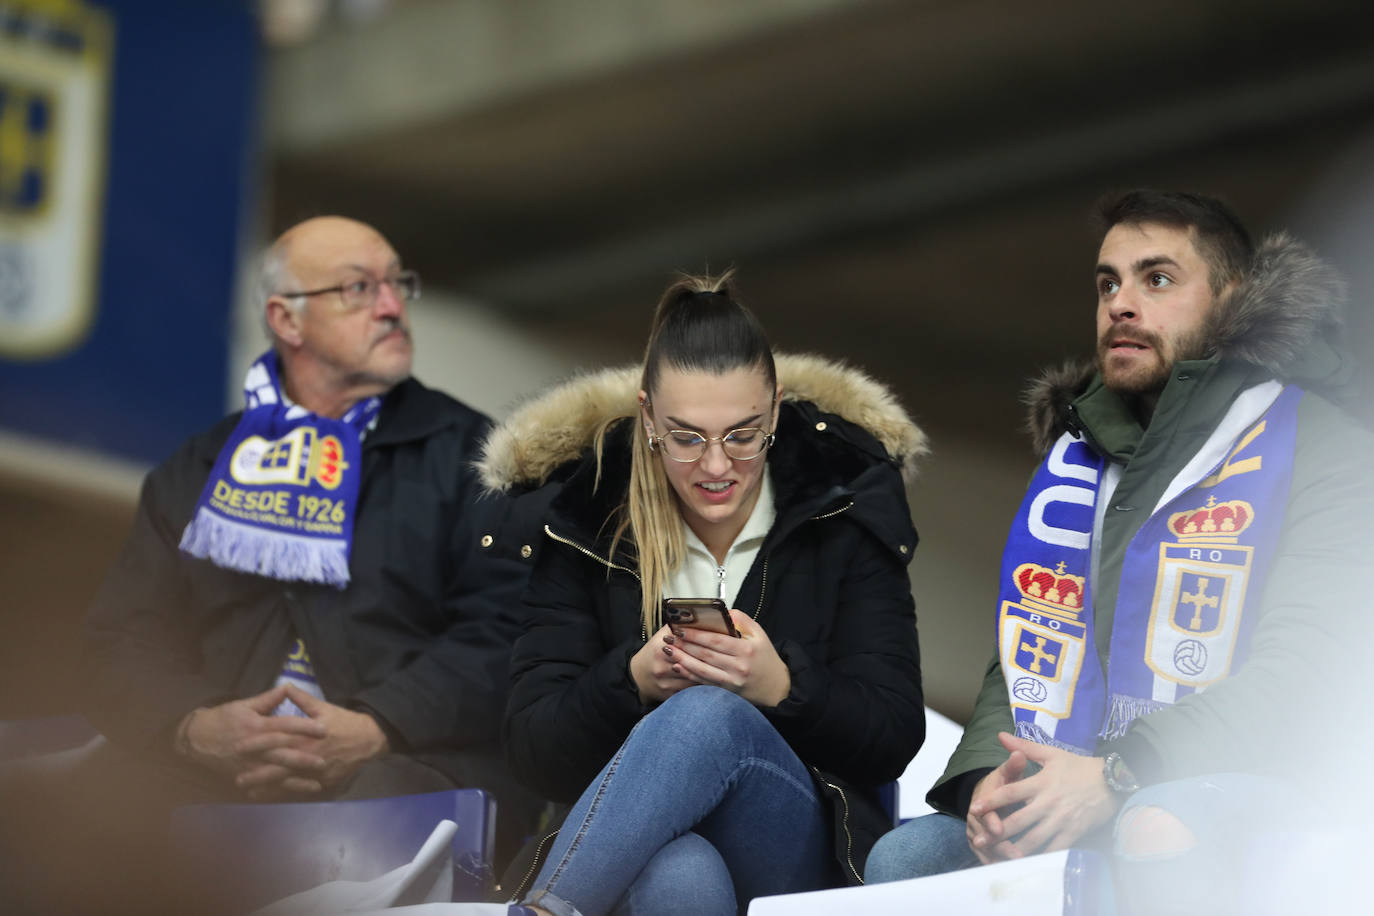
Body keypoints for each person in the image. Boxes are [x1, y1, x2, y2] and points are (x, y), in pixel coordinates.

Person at [864, 190, 1374, 913]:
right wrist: (988, 776)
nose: (1121, 305)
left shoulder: (1327, 448)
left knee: (1154, 828)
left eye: (1156, 280)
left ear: (1232, 300)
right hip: (1092, 781)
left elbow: (1305, 673)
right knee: (908, 857)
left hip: (1260, 780)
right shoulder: (1081, 457)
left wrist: (1118, 776)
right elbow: (1026, 650)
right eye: (1109, 282)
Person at [11, 216, 541, 909]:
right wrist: (198, 727)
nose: (391, 305)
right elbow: (118, 644)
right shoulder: (195, 470)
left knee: (382, 806)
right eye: (358, 288)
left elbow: (507, 636)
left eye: (395, 283)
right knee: (79, 812)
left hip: (404, 761)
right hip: (212, 767)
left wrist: (375, 725)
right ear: (286, 320)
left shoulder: (480, 455)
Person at [478, 272, 927, 915]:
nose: (716, 466)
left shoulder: (845, 511)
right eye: (687, 437)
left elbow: (892, 735)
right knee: (679, 872)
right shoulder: (584, 521)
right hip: (634, 858)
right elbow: (533, 752)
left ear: (774, 412)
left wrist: (779, 686)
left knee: (708, 714)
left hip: (798, 852)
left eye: (743, 435)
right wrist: (633, 680)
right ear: (648, 417)